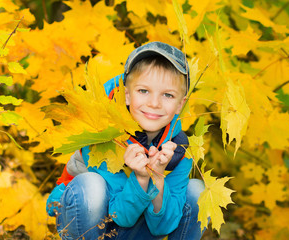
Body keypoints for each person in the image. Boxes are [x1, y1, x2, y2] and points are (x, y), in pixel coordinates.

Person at [46, 41, 205, 240]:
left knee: (196, 191)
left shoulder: (179, 150)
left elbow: (162, 228)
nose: (154, 103)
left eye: (167, 95)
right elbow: (120, 217)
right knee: (92, 184)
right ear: (127, 95)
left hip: (140, 229)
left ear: (180, 105)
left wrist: (157, 178)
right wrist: (140, 177)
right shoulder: (103, 132)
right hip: (90, 221)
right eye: (143, 91)